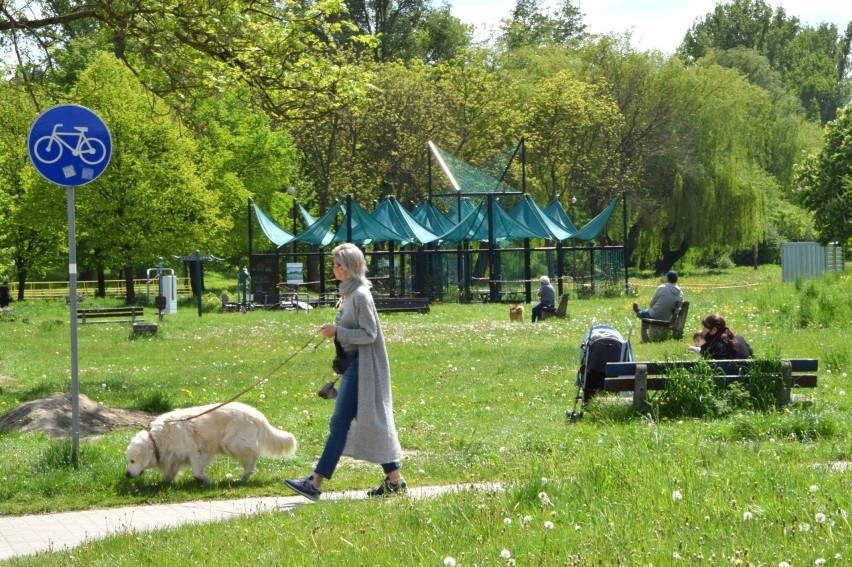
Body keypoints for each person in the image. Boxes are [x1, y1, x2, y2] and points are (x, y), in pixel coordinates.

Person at [285, 243, 405, 501]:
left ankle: (315, 483)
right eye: (334, 264)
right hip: (352, 363)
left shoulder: (360, 295)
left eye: (338, 264)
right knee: (370, 424)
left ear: (349, 267)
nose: (334, 268)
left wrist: (338, 332)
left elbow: (370, 334)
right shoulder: (350, 293)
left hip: (362, 367)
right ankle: (395, 481)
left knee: (339, 423)